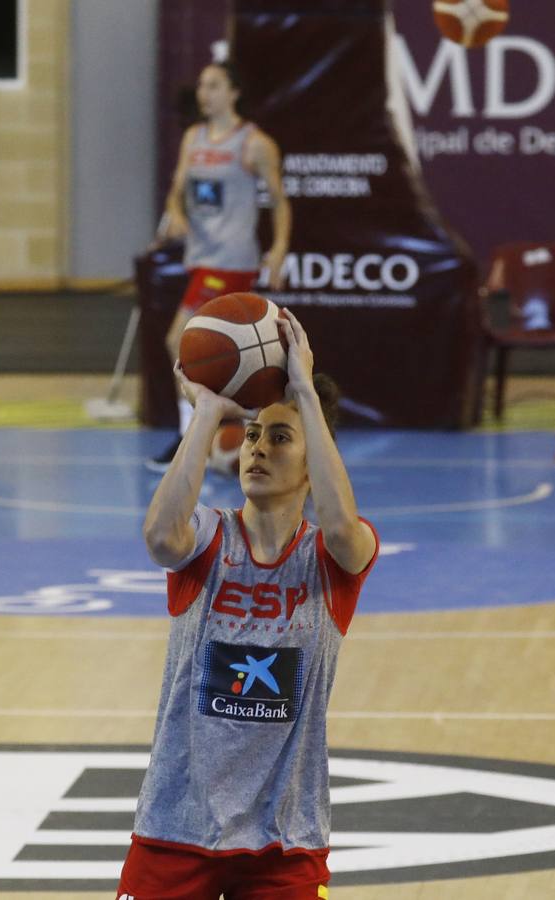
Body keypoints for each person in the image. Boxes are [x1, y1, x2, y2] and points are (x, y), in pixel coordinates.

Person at [118, 314, 378, 899]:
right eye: (254, 435)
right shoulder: (208, 536)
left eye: (280, 438)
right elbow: (160, 537)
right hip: (175, 824)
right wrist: (208, 414)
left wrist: (305, 391)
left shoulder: (332, 557)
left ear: (315, 464)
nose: (258, 449)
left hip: (283, 838)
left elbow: (340, 524)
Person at [148, 60, 291, 472]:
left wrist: (279, 248)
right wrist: (175, 213)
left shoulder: (254, 143)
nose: (203, 93)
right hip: (200, 257)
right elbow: (177, 192)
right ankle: (244, 431)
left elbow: (280, 201)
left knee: (180, 340)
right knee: (229, 355)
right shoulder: (193, 138)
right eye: (200, 85)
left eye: (212, 85)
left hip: (231, 261)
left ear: (234, 93)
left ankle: (191, 436)